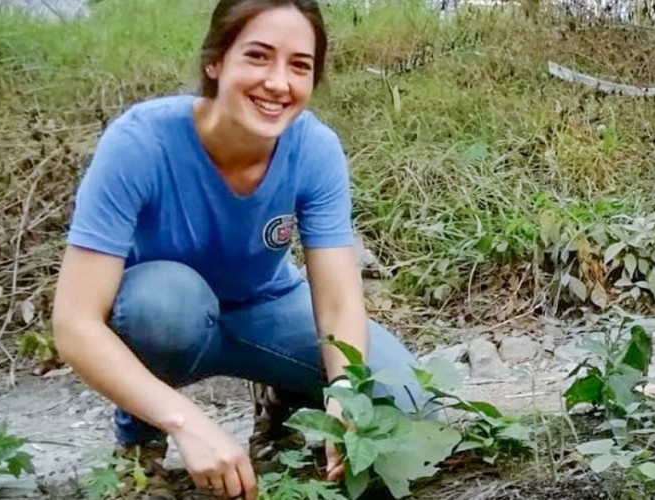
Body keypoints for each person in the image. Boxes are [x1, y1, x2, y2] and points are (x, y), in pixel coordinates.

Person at [50, 1, 424, 499]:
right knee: (161, 305)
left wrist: (346, 395)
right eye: (258, 56)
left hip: (264, 307)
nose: (277, 82)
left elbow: (337, 300)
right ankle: (142, 445)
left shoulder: (314, 149)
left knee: (405, 402)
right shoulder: (139, 143)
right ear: (215, 62)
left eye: (299, 65)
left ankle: (282, 403)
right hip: (165, 316)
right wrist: (188, 422)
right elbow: (74, 323)